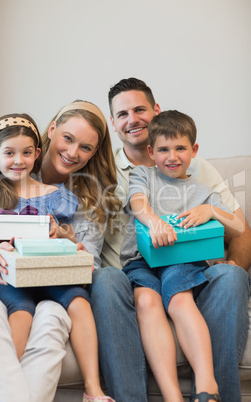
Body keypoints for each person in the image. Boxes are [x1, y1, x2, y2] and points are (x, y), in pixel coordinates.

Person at [0, 101, 147, 402]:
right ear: (52, 131)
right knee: (17, 312)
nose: (73, 153)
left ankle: (94, 389)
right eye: (68, 139)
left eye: (85, 147)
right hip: (9, 274)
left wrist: (69, 240)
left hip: (52, 271)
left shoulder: (65, 197)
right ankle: (7, 386)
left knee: (73, 304)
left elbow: (82, 254)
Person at [101, 77, 251, 402]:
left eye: (139, 109)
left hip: (181, 261)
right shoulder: (132, 172)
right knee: (145, 300)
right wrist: (153, 221)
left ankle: (208, 388)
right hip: (138, 265)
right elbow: (138, 201)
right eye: (122, 113)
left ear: (193, 151)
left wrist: (211, 211)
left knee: (182, 298)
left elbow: (239, 226)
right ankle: (173, 396)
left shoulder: (201, 184)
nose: (172, 156)